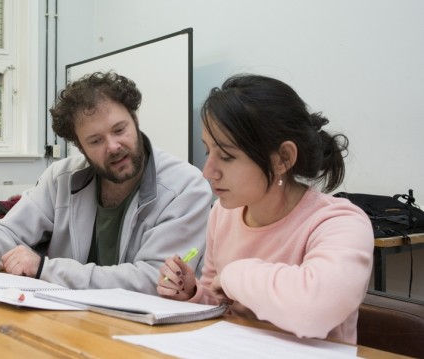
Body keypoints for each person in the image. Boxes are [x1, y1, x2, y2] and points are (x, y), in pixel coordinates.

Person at [0, 71, 212, 295]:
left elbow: (155, 279)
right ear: (79, 146)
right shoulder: (62, 177)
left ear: (135, 120)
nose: (113, 146)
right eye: (95, 140)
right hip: (68, 321)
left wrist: (46, 269)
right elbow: (10, 231)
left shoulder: (186, 187)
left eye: (120, 129)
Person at [157, 74, 374, 345]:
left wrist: (234, 275)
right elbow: (220, 300)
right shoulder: (222, 214)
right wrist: (191, 293)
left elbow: (314, 309)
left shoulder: (340, 223)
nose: (207, 171)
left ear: (282, 159)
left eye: (226, 156)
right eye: (207, 151)